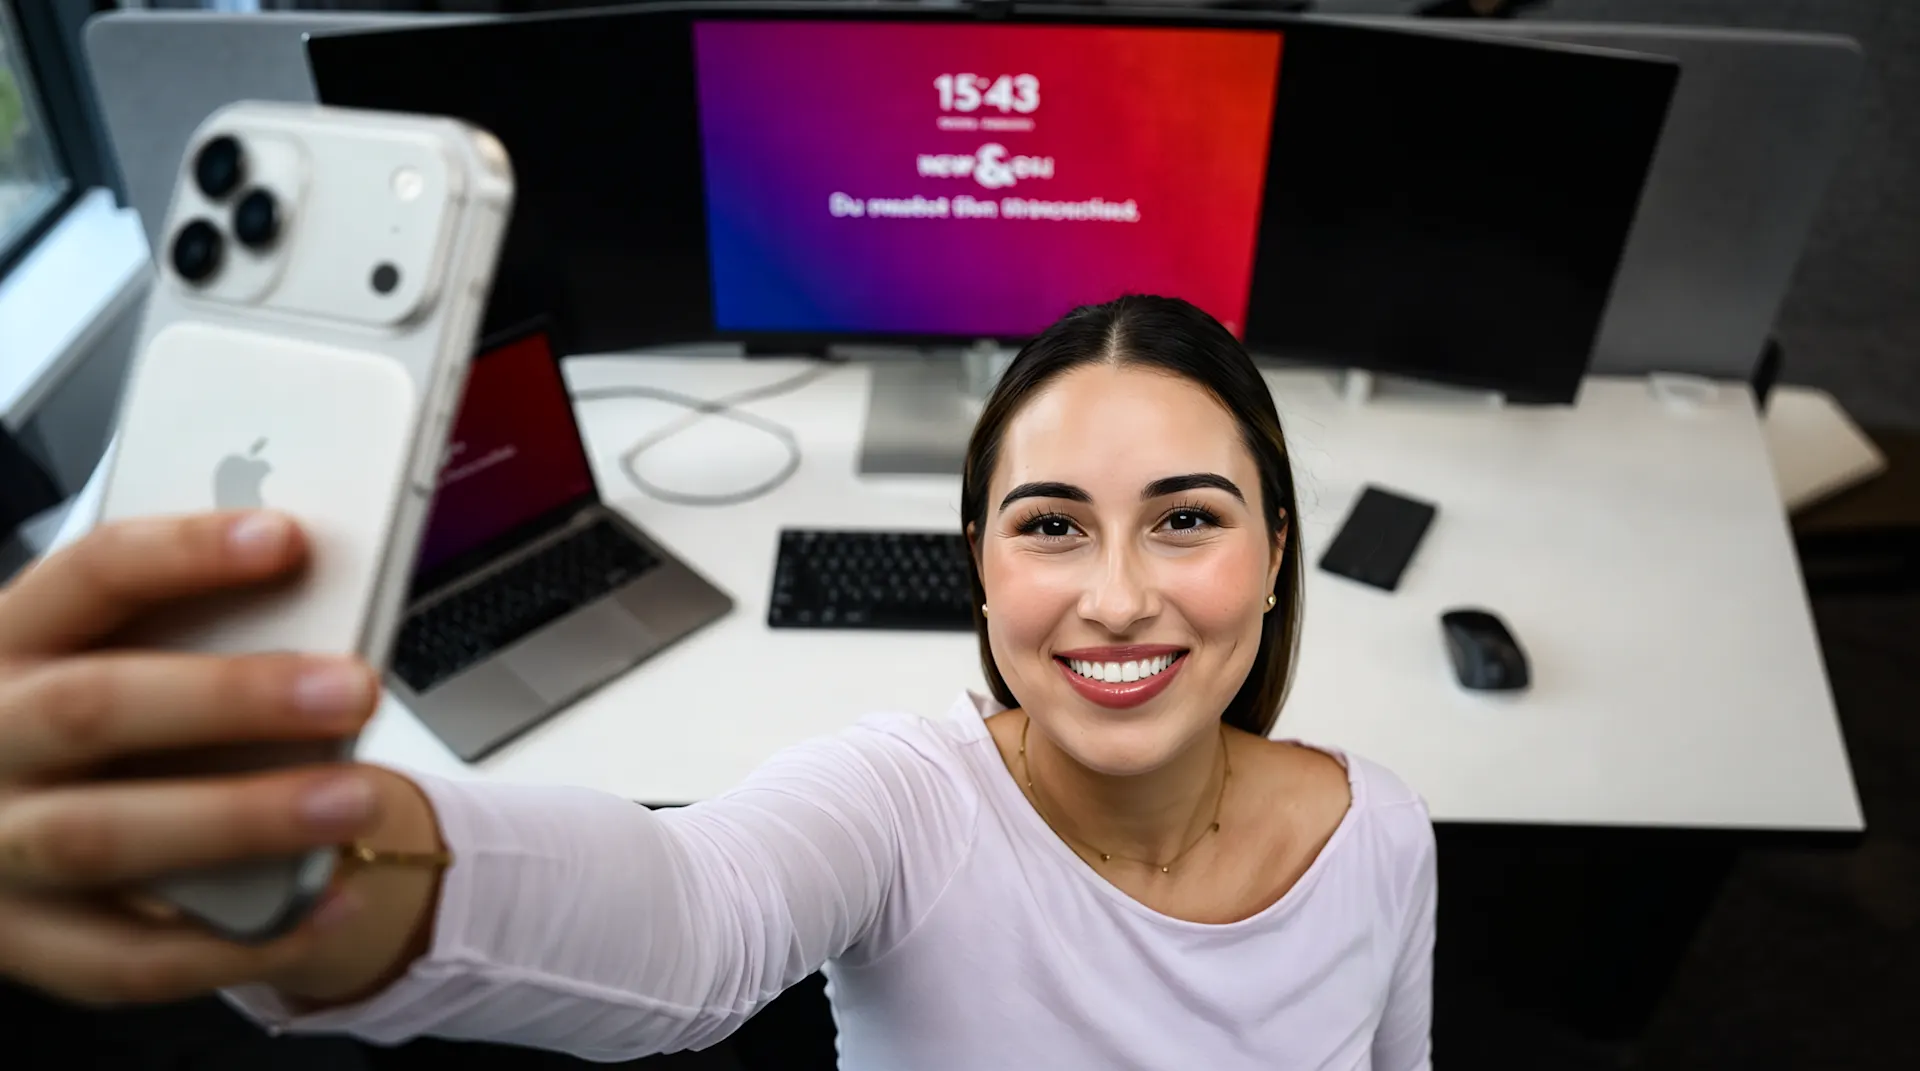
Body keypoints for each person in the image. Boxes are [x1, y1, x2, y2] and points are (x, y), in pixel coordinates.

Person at [0, 295, 1435, 1068]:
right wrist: (304, 857)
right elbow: (692, 918)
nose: (1118, 592)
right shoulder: (910, 804)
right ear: (981, 570)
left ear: (1274, 551)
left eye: (1186, 517)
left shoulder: (1382, 836)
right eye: (1051, 523)